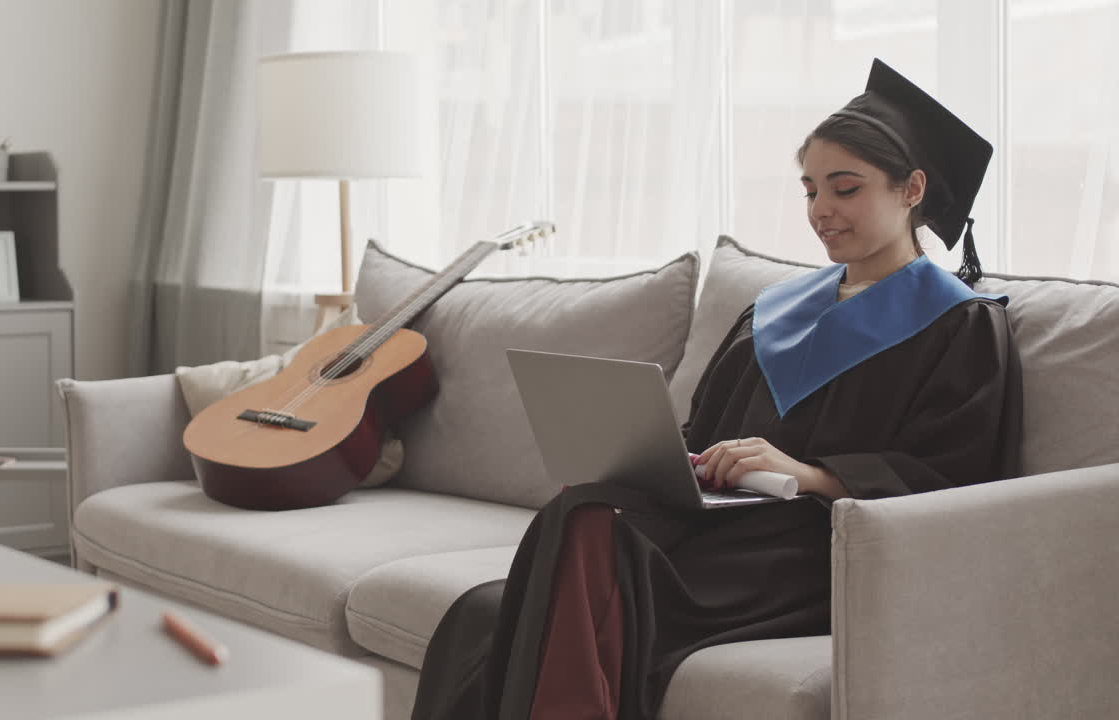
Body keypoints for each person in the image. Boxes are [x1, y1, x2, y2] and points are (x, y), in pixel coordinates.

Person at [411, 58, 1023, 720]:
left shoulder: (958, 323)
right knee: (519, 574)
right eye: (810, 189)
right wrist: (659, 457)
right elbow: (702, 431)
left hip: (816, 548)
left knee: (583, 541)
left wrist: (810, 474)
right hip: (719, 527)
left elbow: (955, 482)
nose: (821, 210)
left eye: (845, 189)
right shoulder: (776, 308)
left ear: (912, 190)